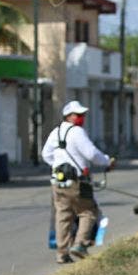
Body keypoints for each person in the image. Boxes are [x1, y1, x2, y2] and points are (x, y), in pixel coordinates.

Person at [42, 100, 115, 264]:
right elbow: (92, 154)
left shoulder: (56, 132)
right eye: (78, 115)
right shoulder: (77, 132)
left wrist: (59, 165)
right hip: (77, 181)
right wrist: (107, 161)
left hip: (58, 181)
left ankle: (62, 253)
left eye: (82, 115)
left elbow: (46, 155)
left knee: (63, 215)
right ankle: (80, 244)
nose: (81, 117)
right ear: (68, 116)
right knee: (88, 211)